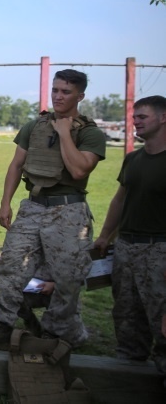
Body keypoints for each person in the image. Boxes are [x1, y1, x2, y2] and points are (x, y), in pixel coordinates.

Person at [0, 69, 105, 352]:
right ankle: (3, 327)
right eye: (55, 90)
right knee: (9, 269)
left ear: (80, 96)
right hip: (32, 207)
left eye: (65, 92)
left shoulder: (90, 133)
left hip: (68, 211)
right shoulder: (35, 126)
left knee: (68, 278)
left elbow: (79, 169)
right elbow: (16, 165)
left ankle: (57, 336)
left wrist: (65, 133)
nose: (58, 96)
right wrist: (5, 203)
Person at [94, 95, 166, 373]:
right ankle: (128, 374)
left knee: (161, 318)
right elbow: (119, 200)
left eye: (142, 117)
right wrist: (105, 236)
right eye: (134, 117)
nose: (135, 122)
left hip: (159, 248)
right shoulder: (133, 159)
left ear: (162, 118)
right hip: (126, 247)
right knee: (126, 315)